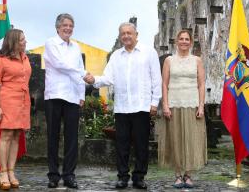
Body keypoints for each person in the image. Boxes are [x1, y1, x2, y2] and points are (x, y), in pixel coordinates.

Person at [84, 22, 162, 190]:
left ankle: (139, 177)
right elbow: (107, 78)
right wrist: (94, 80)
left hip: (141, 106)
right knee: (122, 144)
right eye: (123, 34)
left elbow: (157, 79)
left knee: (141, 145)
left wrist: (154, 103)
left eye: (129, 33)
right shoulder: (116, 56)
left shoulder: (149, 53)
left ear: (136, 34)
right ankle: (122, 177)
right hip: (122, 107)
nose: (126, 36)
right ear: (120, 36)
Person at [158, 29, 207, 189]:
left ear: (191, 42)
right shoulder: (169, 61)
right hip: (174, 104)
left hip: (192, 105)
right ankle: (178, 175)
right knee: (176, 139)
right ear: (176, 42)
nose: (184, 41)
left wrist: (201, 105)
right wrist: (165, 104)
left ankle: (188, 175)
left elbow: (201, 84)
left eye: (187, 39)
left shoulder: (197, 60)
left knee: (192, 139)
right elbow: (164, 84)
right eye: (181, 39)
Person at [44, 13, 86, 189]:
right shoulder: (51, 43)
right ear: (57, 28)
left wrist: (82, 94)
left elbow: (80, 68)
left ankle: (69, 174)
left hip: (72, 96)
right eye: (65, 25)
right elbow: (60, 64)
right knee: (53, 136)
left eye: (71, 26)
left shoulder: (76, 47)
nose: (68, 28)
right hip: (54, 94)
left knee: (72, 138)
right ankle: (53, 175)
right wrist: (82, 73)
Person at [0, 29, 31, 190]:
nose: (25, 42)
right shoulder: (1, 60)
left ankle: (12, 171)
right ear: (13, 42)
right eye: (22, 40)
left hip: (22, 101)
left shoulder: (25, 58)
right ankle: (3, 172)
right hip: (7, 101)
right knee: (6, 135)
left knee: (16, 135)